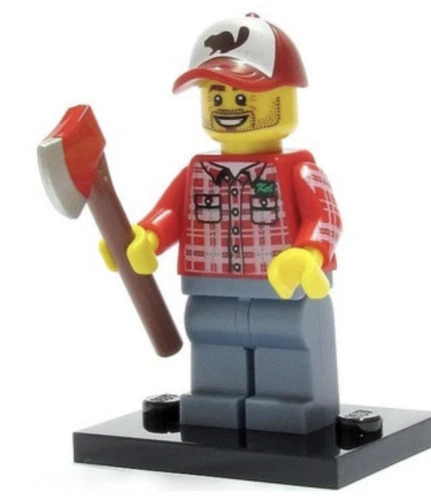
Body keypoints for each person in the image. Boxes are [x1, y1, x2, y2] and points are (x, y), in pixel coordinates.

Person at [101, 13, 342, 434]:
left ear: (283, 97)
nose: (228, 107)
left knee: (287, 338)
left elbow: (326, 218)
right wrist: (145, 237)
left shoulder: (298, 171)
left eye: (244, 95)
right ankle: (215, 403)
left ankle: (290, 406)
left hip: (281, 288)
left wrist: (309, 253)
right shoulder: (199, 172)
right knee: (211, 335)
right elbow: (170, 213)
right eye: (216, 96)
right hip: (208, 285)